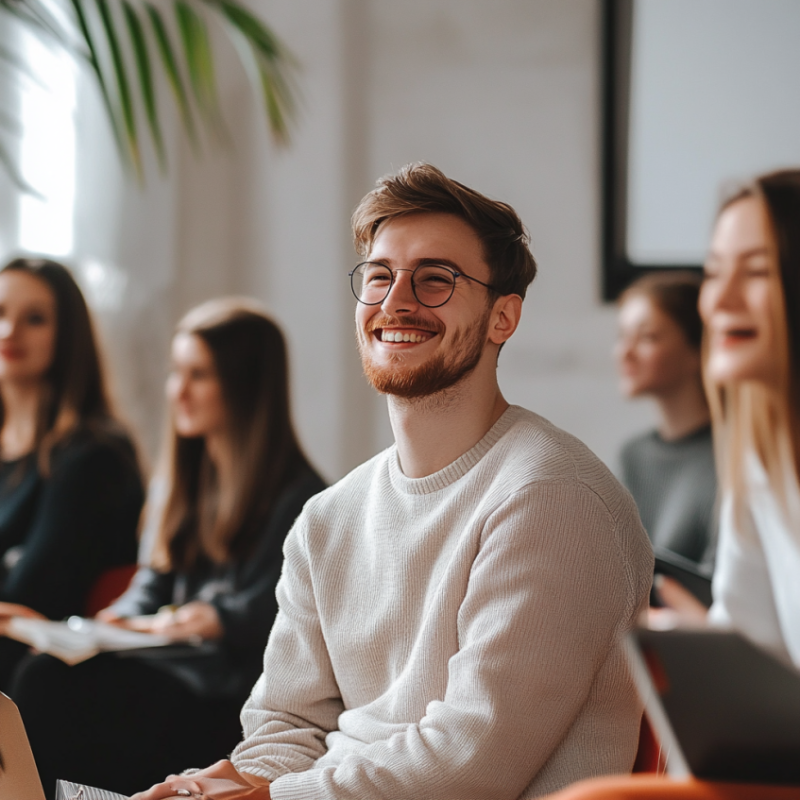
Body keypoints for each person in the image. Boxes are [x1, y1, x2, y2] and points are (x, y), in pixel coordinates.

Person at [133, 163, 653, 800]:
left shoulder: (552, 497)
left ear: (503, 318)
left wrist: (271, 798)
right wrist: (231, 783)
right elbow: (286, 723)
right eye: (379, 276)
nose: (395, 301)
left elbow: (472, 761)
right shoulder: (328, 517)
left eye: (436, 280)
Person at [543, 169, 800, 798]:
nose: (722, 299)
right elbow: (752, 655)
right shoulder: (758, 463)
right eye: (714, 272)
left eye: (758, 272)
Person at [10, 299, 326, 798]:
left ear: (244, 387)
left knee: (52, 687)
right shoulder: (180, 485)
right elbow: (150, 584)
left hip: (222, 691)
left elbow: (280, 614)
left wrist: (214, 617)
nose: (178, 391)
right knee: (43, 669)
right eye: (176, 372)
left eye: (198, 375)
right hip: (165, 665)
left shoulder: (303, 500)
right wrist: (116, 619)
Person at [0, 257, 143, 691]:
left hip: (48, 682)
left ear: (67, 336)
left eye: (35, 319)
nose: (10, 331)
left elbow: (30, 599)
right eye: (1, 313)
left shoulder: (94, 455)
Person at [615, 272, 717, 572]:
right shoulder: (633, 454)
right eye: (622, 336)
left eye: (647, 337)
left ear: (698, 350)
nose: (625, 352)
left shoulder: (733, 457)